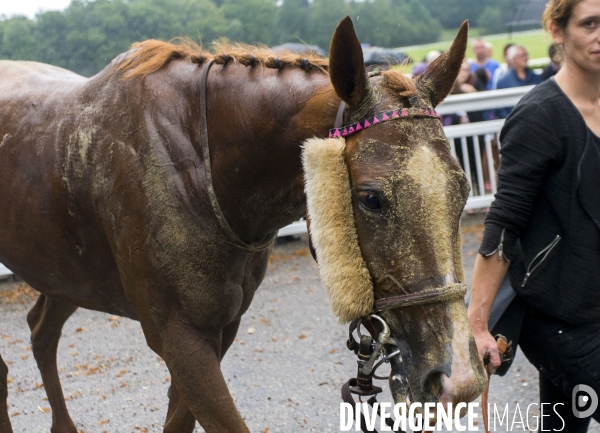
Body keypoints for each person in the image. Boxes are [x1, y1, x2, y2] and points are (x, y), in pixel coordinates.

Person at [468, 0, 600, 431]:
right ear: (557, 31)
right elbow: (505, 224)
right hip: (560, 316)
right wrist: (477, 323)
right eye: (590, 24)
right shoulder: (539, 115)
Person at [495, 45, 542, 118]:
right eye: (522, 56)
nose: (526, 58)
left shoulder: (537, 78)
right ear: (513, 59)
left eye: (526, 55)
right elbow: (499, 108)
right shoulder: (503, 82)